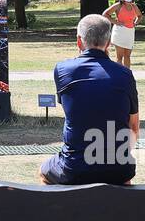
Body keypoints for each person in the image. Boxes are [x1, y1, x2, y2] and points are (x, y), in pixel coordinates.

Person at [38, 14, 139, 186]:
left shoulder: (63, 70)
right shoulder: (125, 74)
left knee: (43, 171)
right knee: (122, 175)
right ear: (108, 44)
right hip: (118, 166)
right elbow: (134, 127)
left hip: (75, 166)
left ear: (79, 41)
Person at [101, 0, 140, 68]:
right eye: (128, 0)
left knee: (127, 55)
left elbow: (140, 16)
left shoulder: (134, 6)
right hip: (119, 32)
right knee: (119, 56)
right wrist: (116, 22)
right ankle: (119, 74)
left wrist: (135, 22)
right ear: (123, 0)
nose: (131, 1)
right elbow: (105, 14)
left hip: (130, 32)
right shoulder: (118, 6)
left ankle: (127, 74)